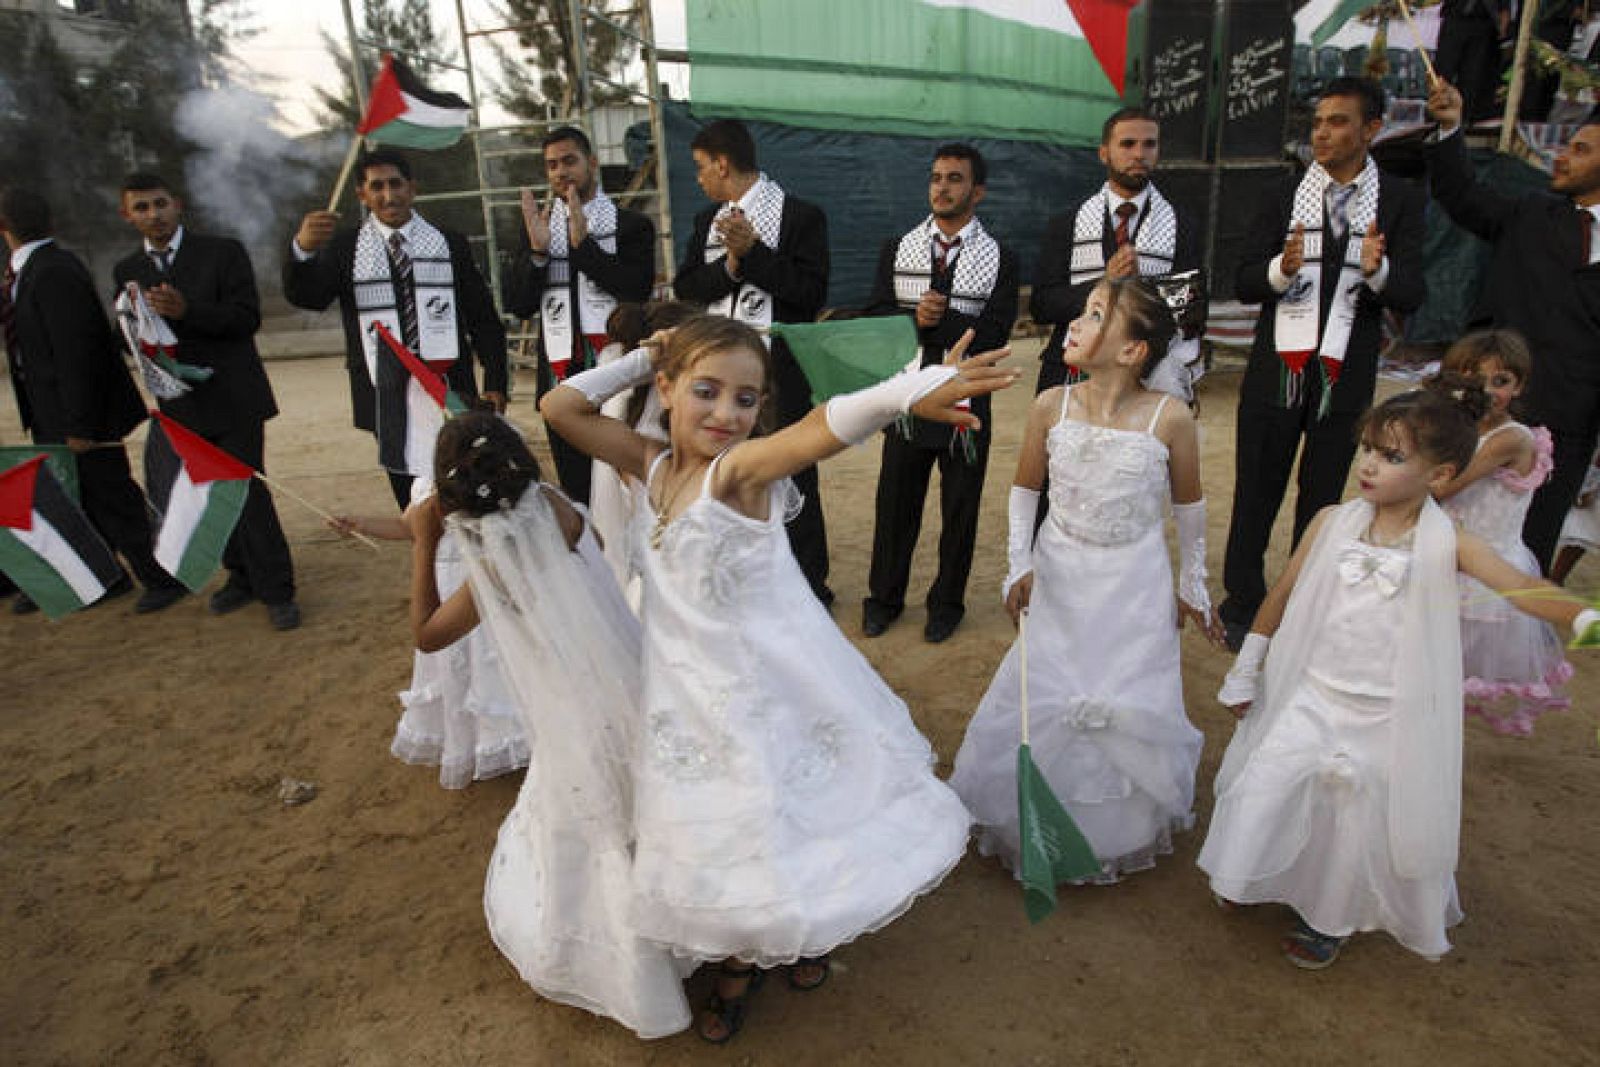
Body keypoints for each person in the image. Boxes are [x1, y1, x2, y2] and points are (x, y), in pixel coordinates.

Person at [541, 314, 1011, 1043]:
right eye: (705, 391)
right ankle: (758, 943)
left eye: (747, 399)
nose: (726, 414)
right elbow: (559, 408)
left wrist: (903, 391)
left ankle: (752, 957)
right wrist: (643, 355)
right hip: (681, 695)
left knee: (769, 815)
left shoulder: (737, 473)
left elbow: (819, 428)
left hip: (755, 692)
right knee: (714, 829)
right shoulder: (651, 462)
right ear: (665, 390)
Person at [1200, 384, 1595, 969]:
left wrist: (1584, 615)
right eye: (1366, 449)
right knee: (1271, 784)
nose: (1367, 465)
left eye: (1391, 457)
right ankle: (1247, 871)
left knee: (1353, 823)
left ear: (1440, 476)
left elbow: (1520, 589)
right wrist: (1247, 667)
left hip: (1384, 712)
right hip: (1313, 692)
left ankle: (1326, 917)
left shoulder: (1452, 544)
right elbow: (1281, 597)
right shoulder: (1331, 523)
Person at [406, 411, 692, 1038]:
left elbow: (429, 635)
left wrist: (426, 541)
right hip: (628, 675)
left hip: (570, 711)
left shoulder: (492, 556)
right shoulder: (557, 505)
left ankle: (634, 967)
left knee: (595, 821)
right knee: (645, 800)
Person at [950, 277, 1222, 884]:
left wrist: (1193, 583)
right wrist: (1018, 562)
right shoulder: (1053, 404)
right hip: (1061, 574)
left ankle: (1113, 830)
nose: (1075, 323)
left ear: (1131, 350)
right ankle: (1033, 819)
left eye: (1096, 315)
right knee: (1049, 683)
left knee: (1119, 689)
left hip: (1135, 582)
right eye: (1081, 310)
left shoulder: (1169, 418)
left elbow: (1190, 509)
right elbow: (1026, 490)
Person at [1219, 77, 1427, 649]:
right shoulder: (1282, 193)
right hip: (1274, 370)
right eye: (1317, 123)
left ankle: (1303, 598)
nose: (1322, 133)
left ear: (1372, 129)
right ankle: (1242, 600)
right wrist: (1280, 271)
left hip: (1345, 373)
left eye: (1338, 121)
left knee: (1323, 497)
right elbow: (1241, 282)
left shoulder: (1401, 200)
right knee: (1256, 490)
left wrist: (1377, 270)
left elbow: (1413, 292)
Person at [1425, 79, 1600, 573]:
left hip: (1569, 433)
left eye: (1581, 149)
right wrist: (1450, 128)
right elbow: (1462, 195)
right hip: (1486, 418)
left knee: (1531, 554)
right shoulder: (1529, 213)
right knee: (1458, 543)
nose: (1562, 157)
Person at [114, 172, 300, 631]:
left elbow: (245, 318)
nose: (152, 215)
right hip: (181, 406)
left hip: (234, 398)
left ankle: (278, 589)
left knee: (247, 493)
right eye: (141, 207)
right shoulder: (126, 271)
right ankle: (240, 576)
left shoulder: (222, 252)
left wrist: (186, 311)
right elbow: (128, 335)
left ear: (177, 205)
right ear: (128, 215)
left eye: (159, 204)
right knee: (209, 494)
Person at [283, 149, 508, 509]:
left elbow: (482, 316)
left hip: (448, 383)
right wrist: (302, 252)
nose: (389, 195)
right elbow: (309, 297)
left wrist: (496, 379)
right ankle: (430, 558)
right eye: (377, 187)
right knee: (412, 494)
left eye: (396, 184)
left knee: (467, 485)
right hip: (384, 388)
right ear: (362, 194)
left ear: (412, 187)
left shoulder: (448, 242)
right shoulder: (346, 247)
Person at [858, 143, 1019, 642]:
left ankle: (946, 604)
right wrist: (912, 320)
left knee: (960, 507)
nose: (942, 187)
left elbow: (995, 332)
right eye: (936, 178)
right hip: (908, 395)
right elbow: (877, 317)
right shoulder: (897, 247)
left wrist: (933, 321)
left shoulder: (1002, 257)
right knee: (894, 504)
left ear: (978, 191)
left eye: (954, 178)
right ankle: (883, 598)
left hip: (968, 395)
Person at [0, 186, 185, 615]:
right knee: (73, 496)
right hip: (52, 409)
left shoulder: (54, 271)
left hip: (82, 413)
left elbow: (77, 353)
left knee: (111, 494)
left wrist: (80, 425)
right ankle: (104, 574)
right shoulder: (25, 271)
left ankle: (159, 575)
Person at [671, 118, 834, 604]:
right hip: (717, 376)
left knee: (791, 470)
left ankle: (808, 587)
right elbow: (687, 288)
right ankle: (736, 576)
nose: (698, 177)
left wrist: (755, 253)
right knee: (722, 473)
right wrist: (731, 265)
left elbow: (809, 293)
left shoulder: (801, 216)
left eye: (701, 167)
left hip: (778, 374)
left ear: (723, 163)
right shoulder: (707, 222)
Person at [330, 473, 527, 788]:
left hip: (480, 599)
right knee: (457, 676)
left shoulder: (498, 484)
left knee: (497, 670)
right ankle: (469, 744)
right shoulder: (426, 487)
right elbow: (406, 526)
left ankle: (510, 739)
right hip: (444, 597)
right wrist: (362, 525)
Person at [503, 126, 657, 504]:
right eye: (551, 165)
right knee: (578, 490)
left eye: (569, 161)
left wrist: (584, 245)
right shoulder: (537, 228)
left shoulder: (632, 225)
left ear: (592, 162)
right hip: (560, 371)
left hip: (616, 366)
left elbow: (634, 290)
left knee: (623, 484)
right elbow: (518, 305)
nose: (560, 172)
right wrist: (538, 254)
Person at [1431, 333, 1571, 735]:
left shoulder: (1511, 438)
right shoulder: (1461, 426)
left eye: (1501, 381)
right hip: (1447, 557)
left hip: (1484, 571)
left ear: (1519, 385)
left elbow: (1444, 486)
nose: (1488, 391)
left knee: (1447, 668)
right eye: (1475, 379)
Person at [1029, 107, 1202, 396]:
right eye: (1127, 144)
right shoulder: (1067, 222)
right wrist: (1104, 283)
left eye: (1150, 144)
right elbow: (1042, 306)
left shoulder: (1182, 223)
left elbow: (1191, 311)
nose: (1139, 154)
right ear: (1103, 153)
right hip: (1073, 372)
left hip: (1148, 373)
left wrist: (1141, 288)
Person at [1436, 0, 1511, 126]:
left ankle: (1465, 119)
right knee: (1444, 71)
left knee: (1473, 76)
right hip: (1455, 18)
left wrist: (1504, 18)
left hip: (1484, 23)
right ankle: (1438, 116)